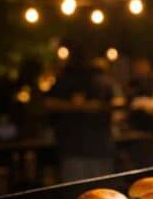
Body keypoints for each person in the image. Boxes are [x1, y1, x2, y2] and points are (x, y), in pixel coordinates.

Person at [45, 45, 116, 182]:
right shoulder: (102, 80)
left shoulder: (65, 79)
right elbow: (113, 105)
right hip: (97, 145)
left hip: (75, 146)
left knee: (77, 192)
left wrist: (75, 107)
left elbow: (48, 104)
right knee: (103, 190)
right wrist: (84, 107)